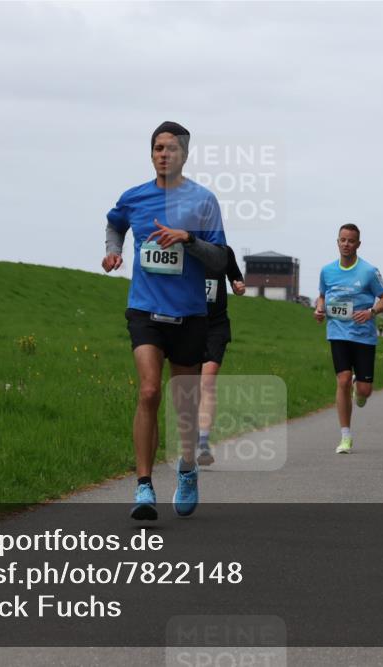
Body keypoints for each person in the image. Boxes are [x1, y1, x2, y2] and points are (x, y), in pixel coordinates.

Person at [103, 121, 228, 520]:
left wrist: (188, 240)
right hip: (144, 309)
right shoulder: (134, 197)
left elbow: (221, 259)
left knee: (183, 403)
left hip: (190, 314)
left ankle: (187, 469)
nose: (163, 154)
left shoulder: (203, 201)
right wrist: (113, 251)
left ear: (185, 155)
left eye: (171, 148)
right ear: (151, 153)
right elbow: (114, 222)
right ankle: (142, 486)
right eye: (158, 147)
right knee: (149, 391)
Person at [314, 224, 383, 453]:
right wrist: (319, 309)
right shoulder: (327, 271)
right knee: (343, 380)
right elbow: (321, 295)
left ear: (358, 244)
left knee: (364, 390)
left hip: (364, 336)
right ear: (337, 242)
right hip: (337, 333)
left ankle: (361, 391)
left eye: (351, 241)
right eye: (342, 240)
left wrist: (372, 312)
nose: (346, 244)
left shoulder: (369, 271)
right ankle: (345, 437)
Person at [196, 246, 246, 466]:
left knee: (207, 381)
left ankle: (203, 443)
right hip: (188, 322)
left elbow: (236, 278)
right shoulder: (184, 247)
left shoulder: (224, 251)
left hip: (216, 325)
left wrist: (238, 285)